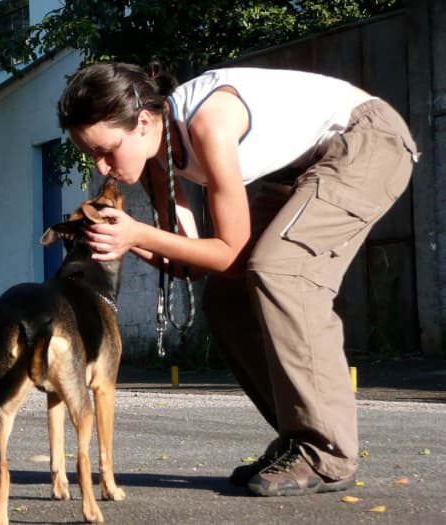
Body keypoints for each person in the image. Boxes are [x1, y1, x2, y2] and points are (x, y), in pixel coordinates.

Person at [57, 62, 418, 497]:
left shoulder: (209, 122)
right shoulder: (155, 159)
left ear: (144, 122)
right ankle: (297, 436)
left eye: (107, 150)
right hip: (296, 172)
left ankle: (325, 451)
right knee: (225, 299)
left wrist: (137, 233)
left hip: (368, 141)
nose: (102, 167)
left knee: (281, 271)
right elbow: (195, 263)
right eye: (90, 155)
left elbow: (228, 249)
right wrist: (127, 242)